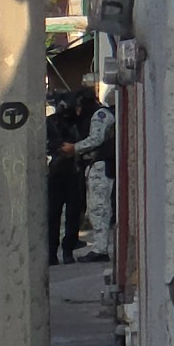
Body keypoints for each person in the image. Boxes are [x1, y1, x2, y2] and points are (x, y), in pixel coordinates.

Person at [62, 88, 117, 263]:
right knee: (97, 208)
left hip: (100, 165)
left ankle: (100, 249)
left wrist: (74, 148)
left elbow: (96, 139)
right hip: (96, 165)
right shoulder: (96, 115)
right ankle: (100, 247)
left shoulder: (99, 115)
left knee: (99, 208)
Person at [47, 93, 84, 265]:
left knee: (71, 214)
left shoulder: (77, 122)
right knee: (54, 214)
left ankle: (66, 249)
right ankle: (54, 252)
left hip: (72, 172)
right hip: (57, 171)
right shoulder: (51, 122)